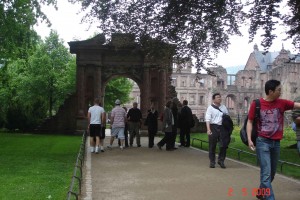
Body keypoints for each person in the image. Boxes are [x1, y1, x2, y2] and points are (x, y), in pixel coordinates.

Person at [246, 79, 300, 200]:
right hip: (262, 142)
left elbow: (297, 105)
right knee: (266, 173)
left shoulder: (282, 103)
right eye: (279, 90)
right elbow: (249, 122)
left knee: (272, 174)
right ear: (270, 91)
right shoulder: (257, 103)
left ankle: (261, 192)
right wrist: (249, 139)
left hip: (276, 143)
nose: (280, 92)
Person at [205, 93, 229, 169]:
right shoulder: (210, 108)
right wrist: (208, 129)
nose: (219, 98)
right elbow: (207, 119)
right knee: (212, 145)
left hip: (222, 128)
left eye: (220, 97)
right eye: (217, 97)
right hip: (213, 127)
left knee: (223, 145)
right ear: (214, 99)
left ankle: (221, 160)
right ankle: (212, 162)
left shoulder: (223, 107)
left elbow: (227, 118)